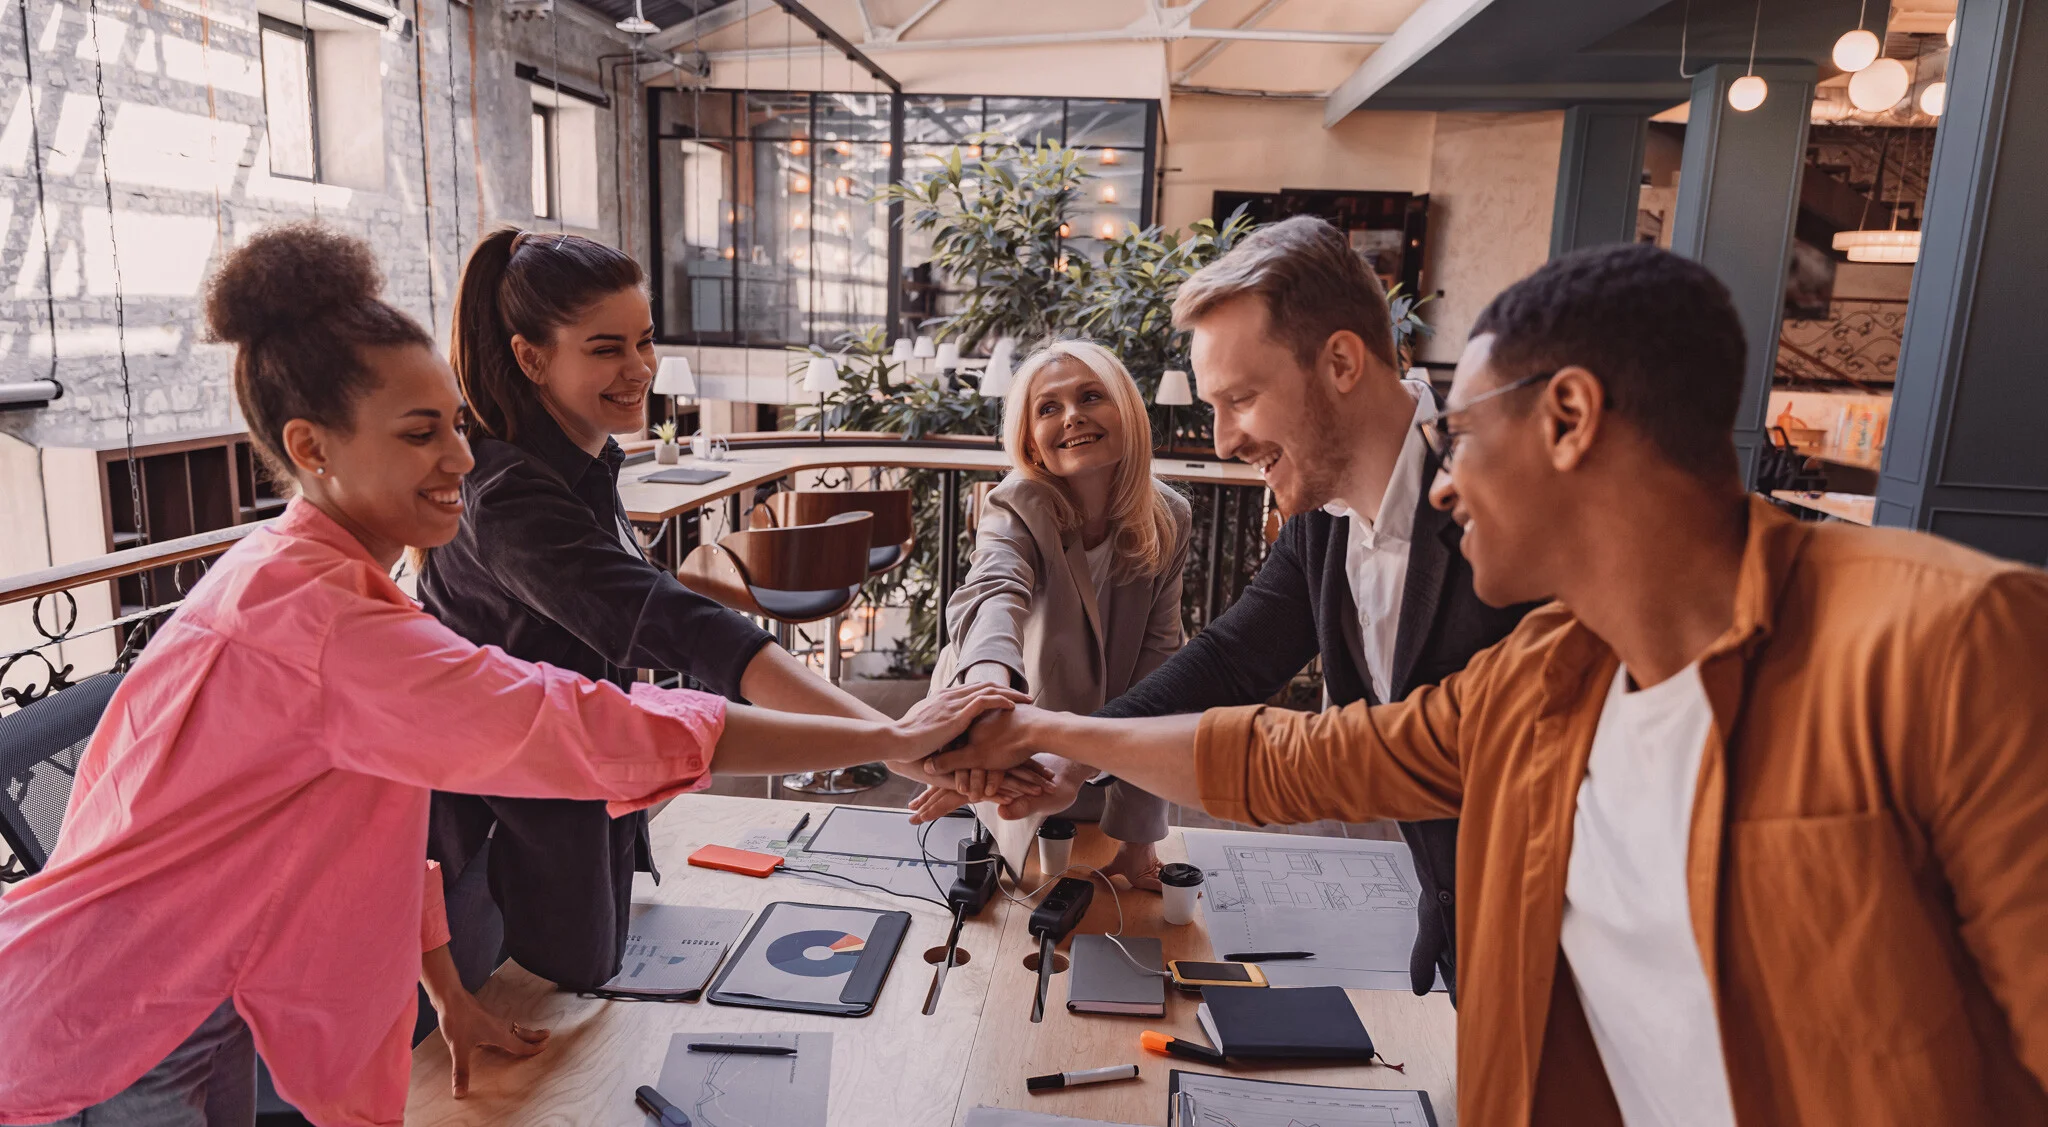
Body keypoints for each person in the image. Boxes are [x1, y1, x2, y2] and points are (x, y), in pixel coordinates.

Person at [926, 242, 2048, 1125]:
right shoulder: (1539, 676)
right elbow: (1284, 752)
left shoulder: (1954, 641)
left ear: (1567, 419)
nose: (1444, 482)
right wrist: (1047, 731)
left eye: (1460, 433)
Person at [0, 223, 1021, 1127]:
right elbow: (589, 724)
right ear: (311, 447)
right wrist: (888, 736)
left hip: (197, 989)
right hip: (115, 1016)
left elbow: (354, 823)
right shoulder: (318, 617)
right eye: (419, 432)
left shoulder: (308, 575)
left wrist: (447, 992)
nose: (458, 456)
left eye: (452, 420)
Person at [922, 216, 1531, 995]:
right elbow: (1232, 658)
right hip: (1465, 941)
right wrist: (1070, 756)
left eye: (1240, 398)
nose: (1220, 441)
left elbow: (1355, 760)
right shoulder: (1324, 521)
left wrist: (1055, 735)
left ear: (1342, 361)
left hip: (1564, 938)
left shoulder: (1503, 509)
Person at [418, 229, 1033, 994]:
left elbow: (677, 629)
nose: (638, 368)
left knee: (576, 1009)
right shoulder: (509, 495)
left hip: (577, 788)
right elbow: (685, 626)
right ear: (532, 357)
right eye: (606, 348)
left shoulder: (583, 461)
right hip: (501, 832)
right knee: (508, 1056)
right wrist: (896, 742)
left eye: (644, 340)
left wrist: (896, 744)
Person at [908, 340, 1192, 886]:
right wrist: (986, 697)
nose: (1073, 417)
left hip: (1101, 751)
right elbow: (993, 590)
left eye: (1091, 396)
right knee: (1000, 901)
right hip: (1007, 746)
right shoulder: (1018, 502)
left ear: (1128, 412)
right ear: (1032, 443)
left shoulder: (1168, 516)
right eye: (1048, 407)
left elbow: (1160, 667)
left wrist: (1138, 841)